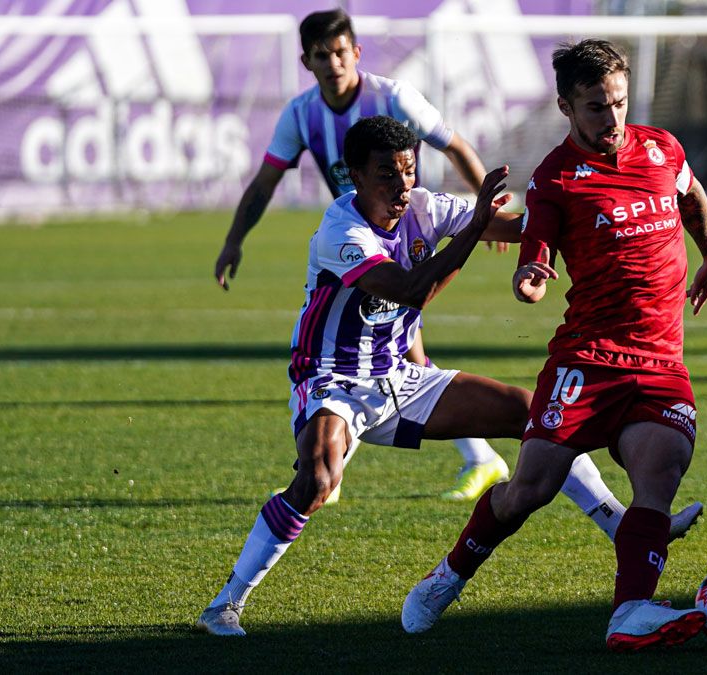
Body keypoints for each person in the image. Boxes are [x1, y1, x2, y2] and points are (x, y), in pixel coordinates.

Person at [196, 116, 699, 637]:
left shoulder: (423, 206)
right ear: (354, 176)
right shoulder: (340, 232)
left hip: (400, 375)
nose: (401, 186)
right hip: (333, 378)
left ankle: (618, 522)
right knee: (319, 478)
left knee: (536, 416)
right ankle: (226, 603)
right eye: (386, 175)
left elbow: (521, 225)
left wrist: (583, 208)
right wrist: (476, 226)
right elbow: (411, 288)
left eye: (409, 171)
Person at [401, 40, 707, 652]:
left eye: (620, 103)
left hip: (659, 363)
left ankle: (630, 612)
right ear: (566, 108)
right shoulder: (555, 178)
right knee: (531, 490)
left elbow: (692, 194)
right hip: (589, 360)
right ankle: (447, 577)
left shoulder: (661, 148)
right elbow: (536, 256)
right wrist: (529, 281)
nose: (613, 119)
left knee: (658, 473)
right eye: (597, 108)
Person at [211, 8, 502, 503]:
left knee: (393, 361)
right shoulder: (301, 113)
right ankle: (344, 463)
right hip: (360, 246)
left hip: (409, 239)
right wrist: (234, 238)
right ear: (307, 61)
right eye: (322, 56)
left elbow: (455, 145)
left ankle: (336, 464)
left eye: (341, 52)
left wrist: (487, 210)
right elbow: (264, 182)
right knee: (392, 361)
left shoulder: (393, 97)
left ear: (357, 53)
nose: (333, 63)